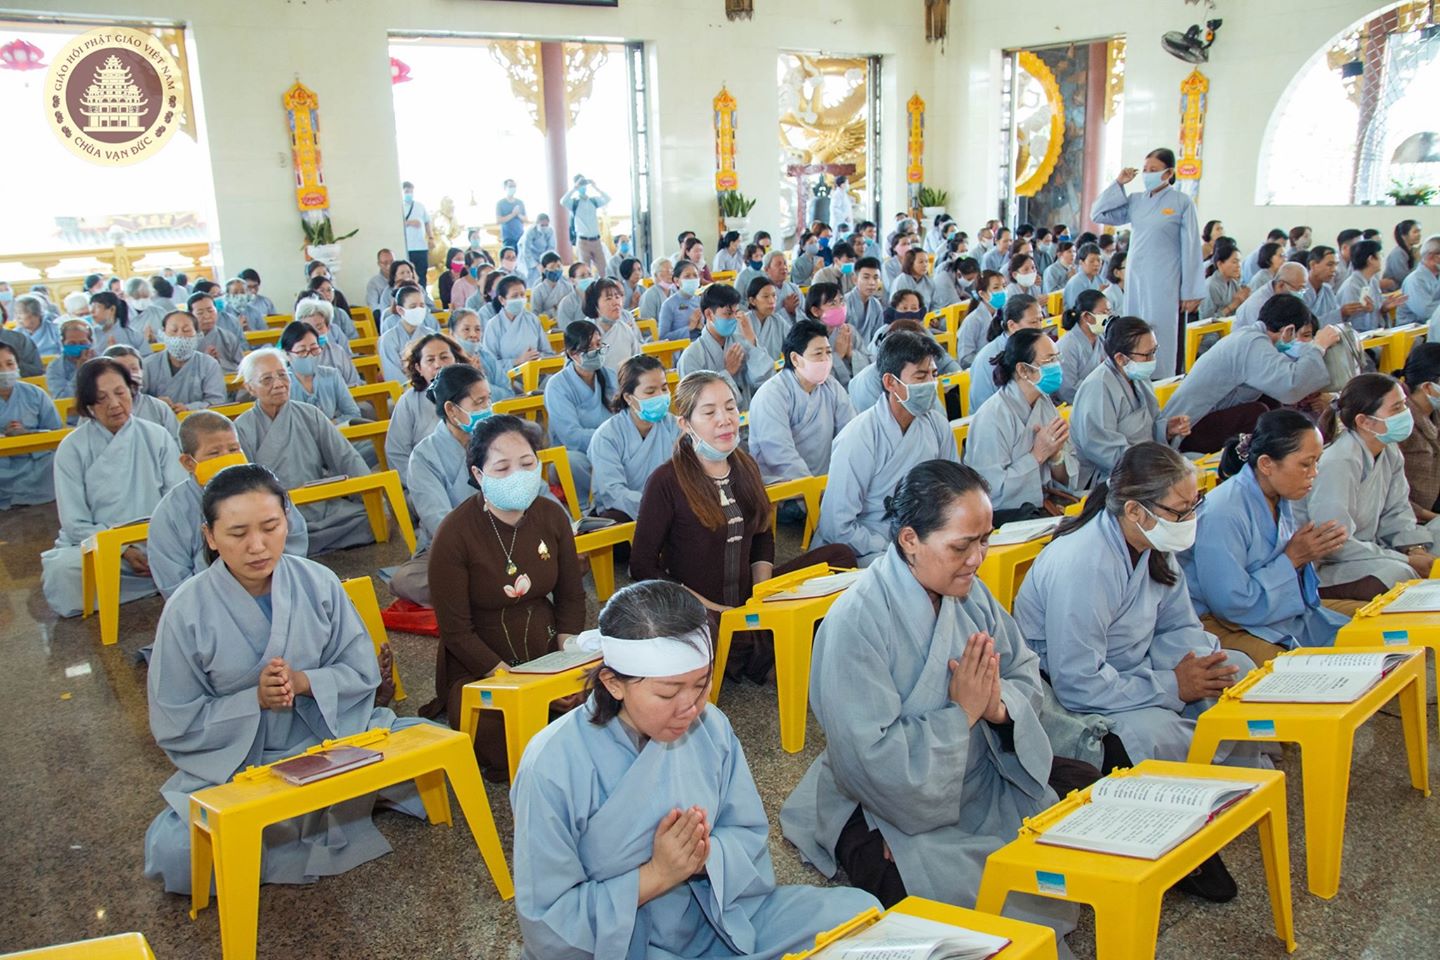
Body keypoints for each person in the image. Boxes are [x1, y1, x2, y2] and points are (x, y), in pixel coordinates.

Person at [780, 461, 1080, 945]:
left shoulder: (971, 595)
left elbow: (1023, 669)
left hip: (979, 776)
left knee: (1081, 807)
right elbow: (867, 756)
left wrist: (996, 707)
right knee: (947, 916)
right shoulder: (855, 622)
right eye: (961, 546)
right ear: (910, 540)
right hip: (889, 800)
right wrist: (962, 713)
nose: (977, 559)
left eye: (984, 541)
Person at [512, 579, 877, 958]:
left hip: (714, 913)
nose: (690, 707)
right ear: (613, 683)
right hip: (621, 942)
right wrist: (657, 874)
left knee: (859, 916)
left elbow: (747, 833)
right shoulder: (552, 765)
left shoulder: (711, 726)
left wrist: (705, 857)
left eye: (701, 685)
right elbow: (549, 920)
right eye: (668, 692)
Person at [143, 464, 421, 894]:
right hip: (239, 765)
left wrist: (304, 682)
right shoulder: (186, 609)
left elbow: (359, 671)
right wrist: (254, 700)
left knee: (428, 749)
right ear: (210, 536)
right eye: (237, 534)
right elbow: (175, 719)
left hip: (327, 741)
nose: (257, 546)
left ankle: (331, 806)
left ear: (287, 521)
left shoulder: (318, 581)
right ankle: (348, 804)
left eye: (270, 527)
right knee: (178, 852)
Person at [1014, 442, 1264, 773]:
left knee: (1235, 669)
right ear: (1134, 511)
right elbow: (1077, 682)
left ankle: (1250, 775)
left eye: (1195, 505)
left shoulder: (1153, 542)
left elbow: (1179, 625)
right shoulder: (1085, 563)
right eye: (1180, 511)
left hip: (1137, 669)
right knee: (1161, 732)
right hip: (1077, 697)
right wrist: (1172, 685)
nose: (1190, 519)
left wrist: (1198, 666)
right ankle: (1220, 786)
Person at [631, 373, 856, 681]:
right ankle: (772, 648)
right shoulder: (666, 481)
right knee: (712, 631)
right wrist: (716, 608)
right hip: (701, 609)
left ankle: (766, 642)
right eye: (709, 412)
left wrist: (762, 596)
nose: (725, 420)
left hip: (749, 596)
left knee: (840, 557)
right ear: (685, 424)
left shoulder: (745, 465)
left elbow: (762, 533)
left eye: (730, 408)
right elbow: (642, 566)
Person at [423, 414, 586, 776]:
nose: (518, 475)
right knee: (506, 739)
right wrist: (519, 684)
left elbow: (572, 596)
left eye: (527, 464)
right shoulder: (454, 534)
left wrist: (568, 666)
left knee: (609, 698)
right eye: (502, 468)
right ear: (479, 475)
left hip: (548, 651)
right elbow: (456, 631)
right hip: (484, 667)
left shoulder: (551, 516)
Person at [1179, 410, 1350, 667]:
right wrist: (1293, 559)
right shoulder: (1224, 512)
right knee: (1299, 670)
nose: (1314, 472)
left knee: (1360, 633)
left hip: (1272, 612)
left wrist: (1307, 554)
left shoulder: (1280, 496)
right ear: (1267, 464)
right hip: (1220, 623)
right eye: (1306, 464)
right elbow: (1231, 604)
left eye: (1317, 462)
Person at [41, 358, 186, 617]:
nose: (115, 404)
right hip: (101, 545)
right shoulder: (72, 448)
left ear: (132, 390)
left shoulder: (157, 435)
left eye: (120, 393)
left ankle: (160, 573)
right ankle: (160, 580)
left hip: (157, 541)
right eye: (102, 398)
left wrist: (158, 545)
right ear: (88, 405)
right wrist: (123, 550)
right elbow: (74, 523)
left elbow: (177, 499)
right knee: (62, 571)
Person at [816, 331, 959, 565]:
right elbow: (837, 526)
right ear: (891, 382)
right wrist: (890, 548)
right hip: (868, 547)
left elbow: (952, 492)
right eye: (920, 376)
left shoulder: (937, 425)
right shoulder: (858, 437)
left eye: (934, 375)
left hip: (923, 538)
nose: (931, 385)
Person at [1297, 373, 1439, 599]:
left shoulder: (1389, 449)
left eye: (1404, 405)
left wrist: (1415, 548)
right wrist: (1406, 559)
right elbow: (1334, 543)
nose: (1406, 413)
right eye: (1397, 408)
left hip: (1375, 549)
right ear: (1364, 421)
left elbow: (1397, 512)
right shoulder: (1339, 461)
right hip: (1333, 563)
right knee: (1400, 573)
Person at [148, 412, 309, 599]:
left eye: (234, 449)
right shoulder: (170, 514)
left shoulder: (265, 491)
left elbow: (295, 540)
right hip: (209, 603)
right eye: (214, 453)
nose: (227, 459)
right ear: (188, 463)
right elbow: (174, 583)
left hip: (278, 591)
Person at [234, 349, 373, 554]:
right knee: (267, 536)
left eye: (283, 375)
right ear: (250, 388)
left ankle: (303, 545)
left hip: (323, 505)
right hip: (278, 515)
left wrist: (372, 500)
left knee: (369, 519)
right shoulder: (242, 428)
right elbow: (246, 486)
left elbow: (345, 457)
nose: (279, 384)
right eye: (267, 379)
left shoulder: (310, 414)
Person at [1163, 294, 1339, 453]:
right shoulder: (1252, 343)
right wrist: (1318, 347)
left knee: (1270, 401)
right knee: (1258, 413)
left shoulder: (1253, 338)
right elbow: (1290, 386)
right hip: (1187, 431)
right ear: (1288, 331)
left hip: (1204, 419)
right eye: (1299, 335)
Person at [1089, 149, 1206, 377]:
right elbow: (1098, 214)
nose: (1147, 174)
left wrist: (1190, 291)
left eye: (1153, 170)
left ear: (1168, 173)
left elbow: (1191, 247)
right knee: (1136, 327)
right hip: (1136, 278)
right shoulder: (1136, 200)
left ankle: (1162, 379)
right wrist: (1118, 183)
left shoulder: (1181, 202)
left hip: (1166, 279)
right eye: (1145, 169)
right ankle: (1135, 374)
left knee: (1162, 331)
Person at [390, 365, 493, 606]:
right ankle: (492, 584)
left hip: (512, 533)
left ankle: (487, 586)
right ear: (451, 409)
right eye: (479, 402)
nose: (487, 408)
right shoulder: (424, 456)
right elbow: (439, 521)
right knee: (406, 578)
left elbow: (535, 489)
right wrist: (483, 550)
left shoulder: (499, 437)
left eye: (488, 400)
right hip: (454, 549)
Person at [963, 329, 1076, 522]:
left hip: (1048, 505)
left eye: (1058, 358)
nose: (1057, 366)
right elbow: (991, 493)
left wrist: (1056, 456)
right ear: (1023, 370)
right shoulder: (991, 417)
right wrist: (1037, 455)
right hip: (1008, 517)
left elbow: (1065, 480)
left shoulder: (1044, 403)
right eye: (1049, 361)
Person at [1072, 317, 1190, 484]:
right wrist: (1149, 466)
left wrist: (1166, 430)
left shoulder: (1138, 376)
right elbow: (1101, 449)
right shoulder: (1098, 386)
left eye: (1154, 351)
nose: (1152, 360)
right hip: (1111, 475)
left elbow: (1149, 428)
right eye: (1147, 355)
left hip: (1144, 463)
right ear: (1121, 358)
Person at [748, 319, 855, 484]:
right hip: (784, 486)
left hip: (826, 482)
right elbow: (779, 454)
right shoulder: (771, 395)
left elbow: (851, 432)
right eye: (818, 354)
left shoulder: (831, 386)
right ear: (795, 359)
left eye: (828, 352)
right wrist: (812, 488)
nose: (825, 359)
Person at [545, 320, 618, 505]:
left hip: (615, 445)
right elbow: (571, 436)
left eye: (599, 344)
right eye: (589, 347)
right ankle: (593, 504)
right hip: (580, 452)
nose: (597, 350)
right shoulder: (557, 386)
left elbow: (625, 417)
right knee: (572, 462)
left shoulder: (611, 376)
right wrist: (608, 438)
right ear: (572, 354)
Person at [386, 333, 467, 489]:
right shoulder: (409, 401)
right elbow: (397, 453)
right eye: (430, 360)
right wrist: (421, 484)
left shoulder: (473, 394)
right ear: (419, 368)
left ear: (456, 361)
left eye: (444, 357)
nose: (438, 365)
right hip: (423, 483)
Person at [676, 284, 775, 411]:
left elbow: (766, 381)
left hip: (746, 417)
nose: (733, 318)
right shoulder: (691, 356)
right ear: (709, 314)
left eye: (736, 313)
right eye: (728, 314)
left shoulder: (742, 342)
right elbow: (693, 404)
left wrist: (752, 341)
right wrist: (728, 373)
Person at [0, 340, 62, 509]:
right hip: (2, 463)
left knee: (57, 460)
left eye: (9, 364)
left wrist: (26, 433)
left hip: (35, 460)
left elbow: (55, 432)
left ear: (17, 366)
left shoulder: (35, 393)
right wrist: (5, 436)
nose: (5, 371)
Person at [969, 294, 1043, 413]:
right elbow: (984, 408)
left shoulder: (1036, 346)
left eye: (1040, 320)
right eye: (1033, 322)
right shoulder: (988, 358)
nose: (1039, 327)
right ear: (1012, 326)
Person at [141, 311, 226, 413]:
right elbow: (137, 400)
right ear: (163, 334)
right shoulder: (148, 365)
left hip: (198, 420)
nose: (180, 335)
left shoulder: (209, 364)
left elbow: (217, 401)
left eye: (186, 330)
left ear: (197, 334)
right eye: (174, 330)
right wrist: (155, 403)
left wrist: (189, 408)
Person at [281, 321, 363, 425]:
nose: (310, 355)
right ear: (287, 355)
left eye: (314, 349)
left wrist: (328, 426)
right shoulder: (281, 384)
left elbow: (353, 413)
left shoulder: (331, 375)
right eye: (302, 351)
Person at [1399, 343, 1440, 523]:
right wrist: (1435, 519)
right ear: (1428, 387)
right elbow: (1391, 495)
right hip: (1416, 517)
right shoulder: (1399, 426)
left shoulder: (1435, 413)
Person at [101, 344, 180, 436]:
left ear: (141, 372)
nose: (128, 375)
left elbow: (175, 441)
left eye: (133, 369)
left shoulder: (158, 408)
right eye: (120, 370)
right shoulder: (98, 410)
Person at [485, 275, 553, 369]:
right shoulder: (493, 325)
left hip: (536, 372)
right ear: (502, 300)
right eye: (515, 296)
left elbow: (548, 353)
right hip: (505, 376)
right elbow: (489, 364)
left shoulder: (532, 319)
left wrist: (537, 357)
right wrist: (518, 361)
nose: (520, 299)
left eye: (522, 295)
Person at [1054, 290, 1109, 405]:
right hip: (1076, 403)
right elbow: (1067, 389)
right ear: (1087, 316)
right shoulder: (1067, 345)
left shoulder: (1102, 338)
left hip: (1101, 395)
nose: (1108, 317)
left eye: (1109, 312)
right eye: (1103, 313)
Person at [1339, 239, 1406, 333]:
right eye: (1380, 255)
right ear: (1370, 259)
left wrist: (1383, 308)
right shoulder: (1351, 286)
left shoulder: (1373, 281)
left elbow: (1375, 311)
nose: (1382, 259)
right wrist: (1370, 311)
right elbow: (1354, 324)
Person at [294, 298, 361, 387]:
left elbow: (354, 382)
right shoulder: (293, 356)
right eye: (308, 329)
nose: (315, 333)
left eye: (319, 327)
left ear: (328, 327)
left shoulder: (338, 352)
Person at [583, 277, 643, 375]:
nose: (616, 303)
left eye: (617, 297)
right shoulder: (584, 331)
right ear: (595, 304)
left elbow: (638, 362)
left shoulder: (625, 329)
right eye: (609, 298)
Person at [1233, 260, 1308, 331]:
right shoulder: (1260, 304)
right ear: (1281, 285)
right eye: (1299, 289)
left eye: (1303, 289)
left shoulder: (1281, 297)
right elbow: (1262, 335)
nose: (1301, 293)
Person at [560, 174, 611, 275]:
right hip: (583, 241)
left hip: (596, 240)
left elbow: (607, 198)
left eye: (584, 184)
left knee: (603, 270)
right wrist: (575, 188)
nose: (583, 187)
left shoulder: (593, 201)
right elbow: (563, 201)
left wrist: (595, 187)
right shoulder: (574, 203)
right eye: (581, 184)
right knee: (585, 271)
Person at [44, 319, 95, 400]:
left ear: (91, 342)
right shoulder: (54, 367)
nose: (77, 346)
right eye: (72, 343)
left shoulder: (101, 362)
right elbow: (61, 398)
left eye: (83, 343)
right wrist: (80, 371)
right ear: (63, 343)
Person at [1202, 237, 1250, 319]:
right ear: (1220, 264)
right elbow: (1206, 320)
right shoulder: (1211, 285)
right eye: (1234, 262)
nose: (1239, 265)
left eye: (1239, 261)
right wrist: (1233, 305)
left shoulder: (1233, 283)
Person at [842, 257, 886, 342]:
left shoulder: (877, 305)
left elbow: (877, 337)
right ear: (855, 279)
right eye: (866, 277)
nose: (872, 283)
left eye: (876, 278)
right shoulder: (844, 303)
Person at [1399, 235, 1440, 325]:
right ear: (1431, 257)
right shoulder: (1414, 280)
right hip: (1415, 330)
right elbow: (1426, 312)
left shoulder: (1437, 276)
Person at [401, 181, 433, 285]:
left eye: (411, 191)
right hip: (407, 247)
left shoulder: (420, 206)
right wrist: (409, 222)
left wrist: (431, 237)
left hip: (421, 246)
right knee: (408, 274)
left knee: (422, 274)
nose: (409, 194)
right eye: (406, 191)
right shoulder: (400, 207)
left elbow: (427, 222)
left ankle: (422, 292)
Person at [530, 252, 573, 319]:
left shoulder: (568, 286)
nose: (556, 270)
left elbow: (573, 306)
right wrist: (554, 309)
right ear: (544, 270)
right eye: (552, 267)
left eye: (558, 266)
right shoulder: (538, 290)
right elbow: (535, 315)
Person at [1384, 218, 1422, 291]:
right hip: (1393, 293)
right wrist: (1417, 260)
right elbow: (1406, 279)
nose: (1419, 235)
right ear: (1404, 235)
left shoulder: (1413, 251)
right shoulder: (1398, 253)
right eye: (1415, 232)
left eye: (1419, 231)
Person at [519, 212, 556, 284]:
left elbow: (551, 247)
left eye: (546, 225)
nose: (544, 227)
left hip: (543, 254)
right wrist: (536, 265)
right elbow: (526, 250)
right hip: (529, 256)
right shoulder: (530, 231)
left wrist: (546, 261)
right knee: (531, 277)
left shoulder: (550, 230)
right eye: (542, 225)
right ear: (537, 223)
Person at [496, 178, 527, 249]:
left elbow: (525, 219)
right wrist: (513, 214)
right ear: (505, 188)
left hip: (520, 236)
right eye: (510, 186)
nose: (512, 188)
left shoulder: (520, 202)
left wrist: (518, 214)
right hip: (508, 238)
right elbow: (499, 220)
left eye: (514, 186)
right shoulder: (500, 203)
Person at [365, 248, 396, 313]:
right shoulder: (373, 283)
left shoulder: (403, 278)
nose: (389, 266)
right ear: (379, 264)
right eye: (385, 263)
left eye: (392, 262)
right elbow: (373, 307)